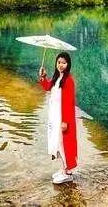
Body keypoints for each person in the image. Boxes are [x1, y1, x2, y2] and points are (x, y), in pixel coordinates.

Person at [38, 51, 78, 184]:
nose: (61, 65)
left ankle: (68, 173)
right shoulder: (57, 77)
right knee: (58, 142)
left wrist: (65, 121)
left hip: (63, 118)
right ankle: (63, 169)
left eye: (64, 63)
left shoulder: (69, 80)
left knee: (64, 144)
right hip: (55, 116)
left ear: (68, 64)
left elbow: (69, 103)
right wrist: (43, 77)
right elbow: (47, 87)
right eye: (59, 62)